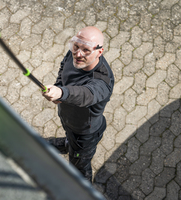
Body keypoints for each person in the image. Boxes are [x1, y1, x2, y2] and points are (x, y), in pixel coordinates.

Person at [42, 26, 114, 182]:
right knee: (71, 138)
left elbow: (86, 95)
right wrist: (59, 85)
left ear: (99, 52)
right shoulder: (74, 53)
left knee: (79, 166)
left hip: (85, 134)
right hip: (69, 121)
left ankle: (83, 189)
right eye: (75, 46)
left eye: (86, 50)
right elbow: (63, 68)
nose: (78, 54)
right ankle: (68, 144)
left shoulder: (103, 82)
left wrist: (61, 93)